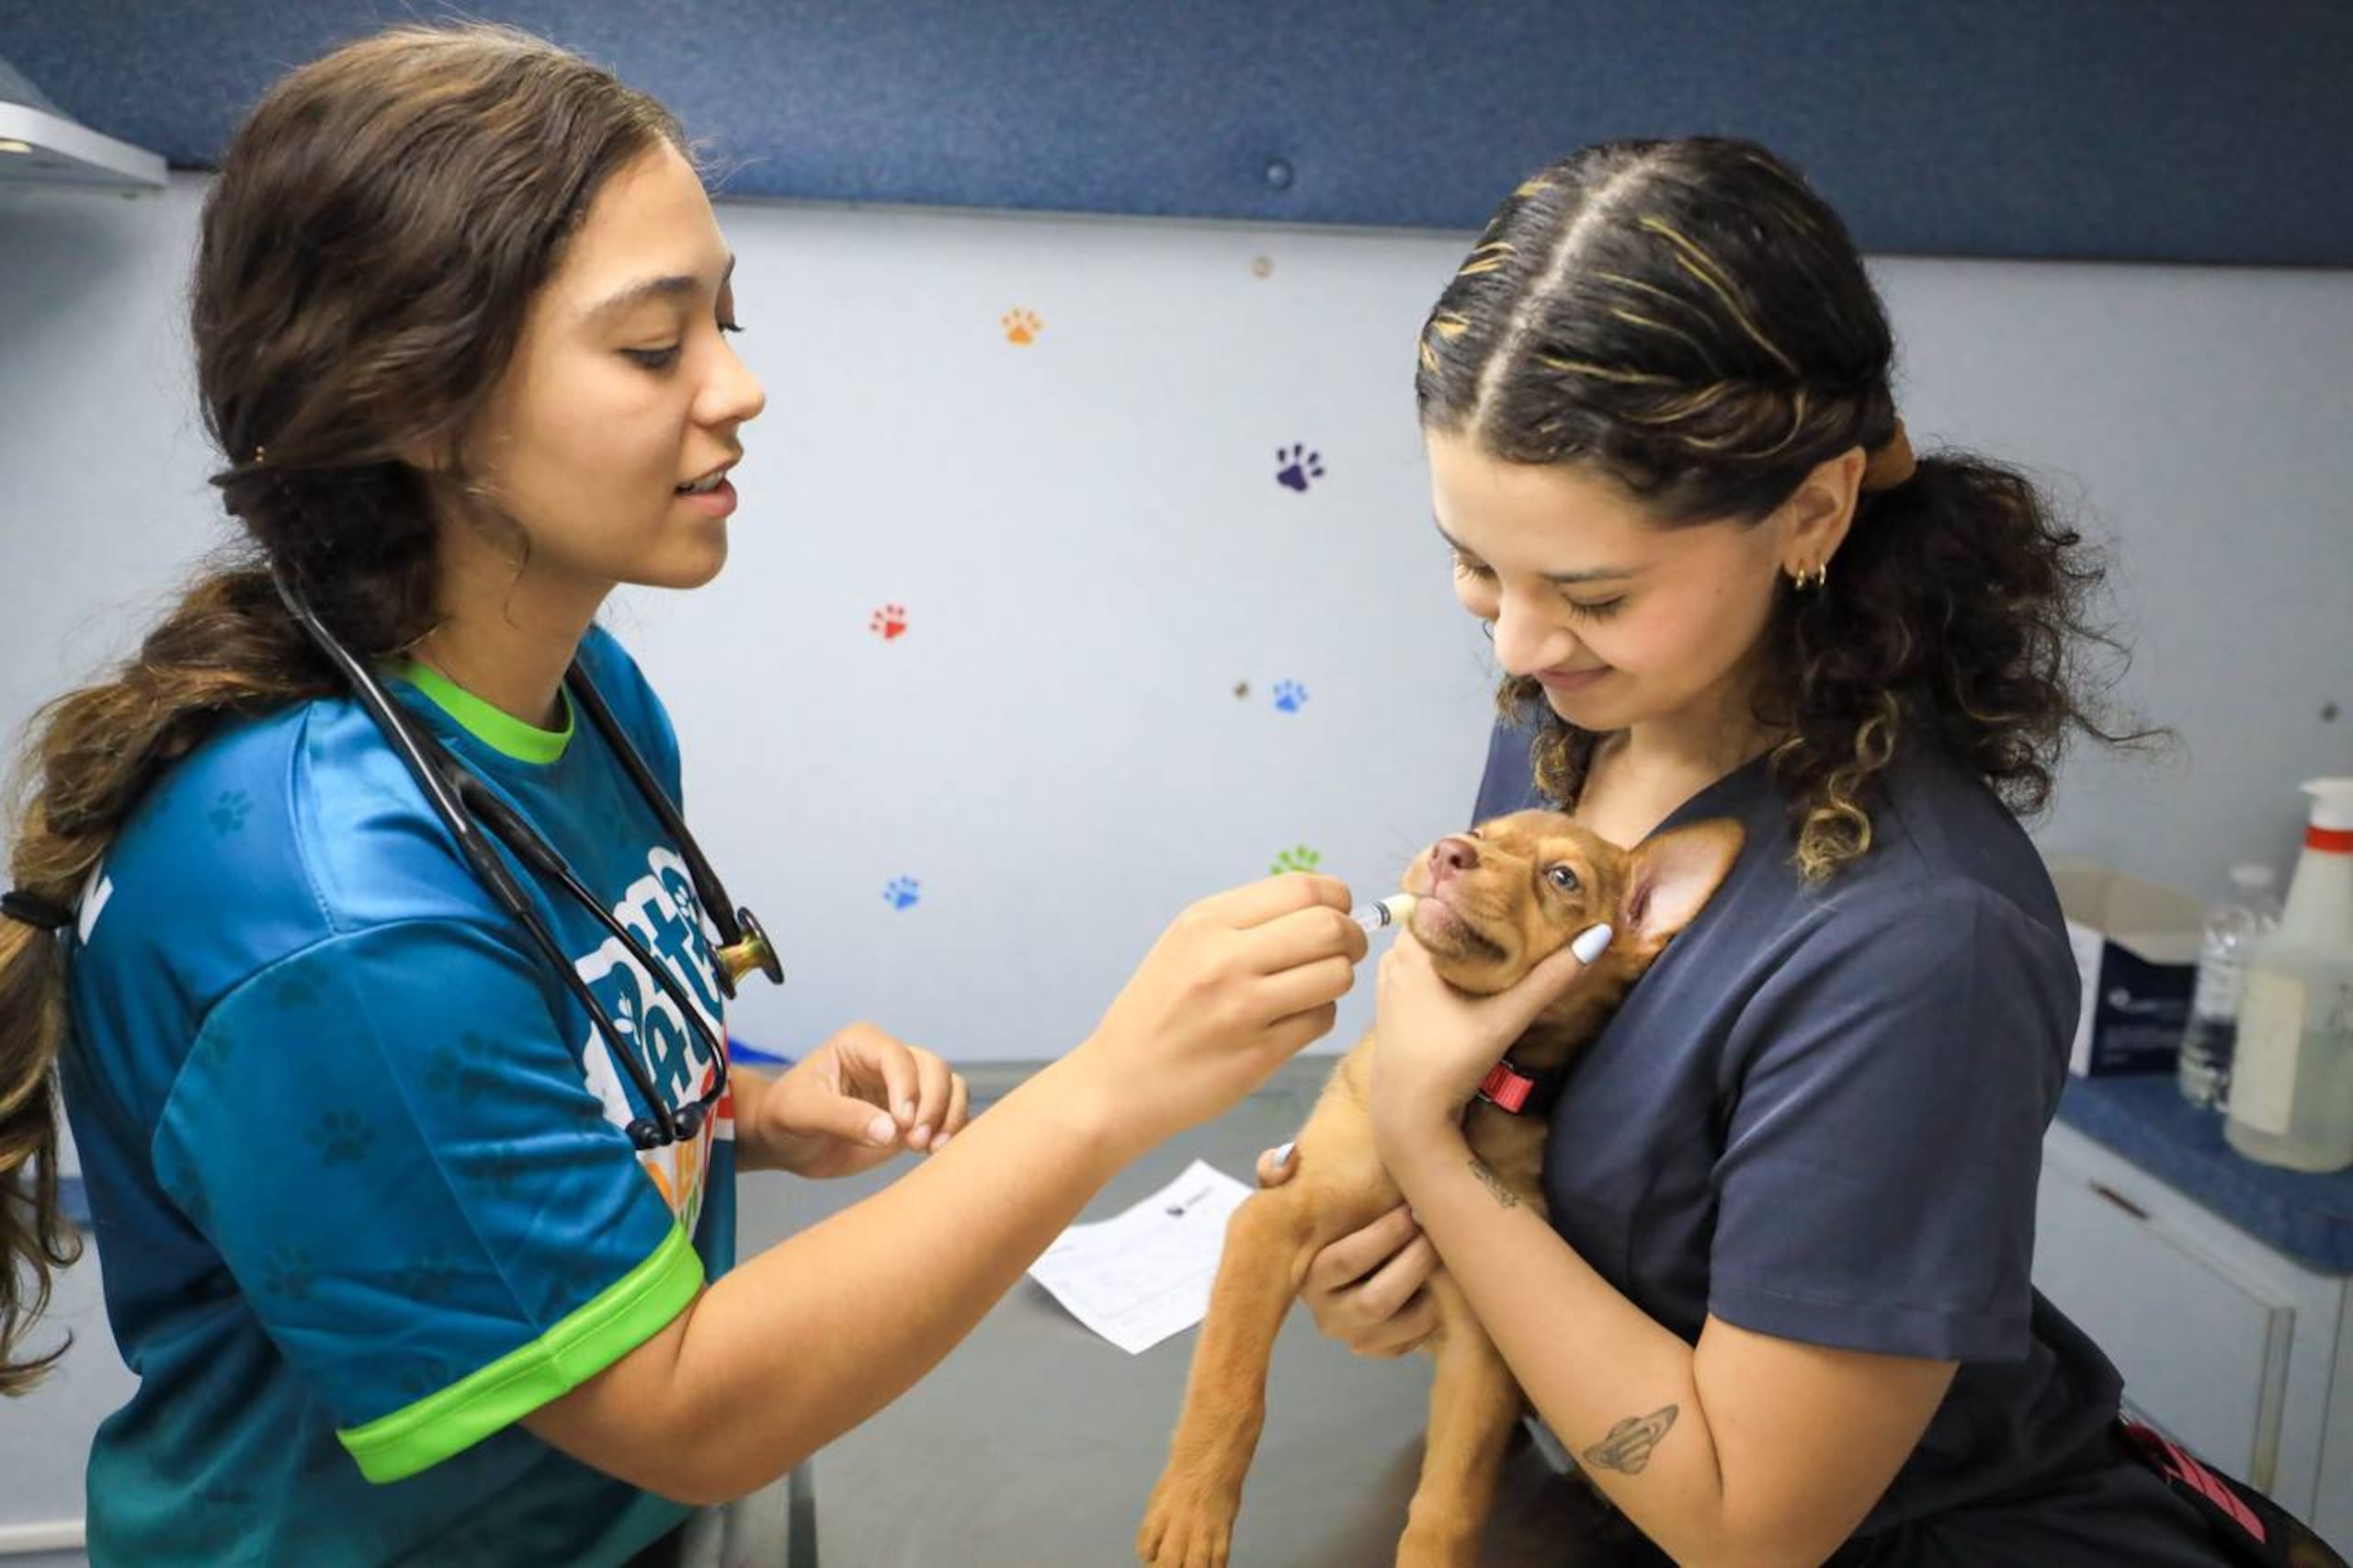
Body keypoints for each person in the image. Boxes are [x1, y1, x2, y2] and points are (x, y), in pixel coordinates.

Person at [0, 25, 1365, 1564]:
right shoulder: (330, 916)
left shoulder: (587, 701)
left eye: (726, 317)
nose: (742, 386)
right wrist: (1108, 1087)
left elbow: (537, 1070)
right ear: (416, 405)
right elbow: (681, 1402)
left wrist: (756, 1111)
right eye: (657, 346)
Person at [1259, 137, 2339, 1565]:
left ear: (1815, 511)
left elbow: (1752, 1525)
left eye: (1588, 588)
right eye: (1476, 566)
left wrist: (1427, 1154)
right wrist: (1402, 1243)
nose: (1514, 645)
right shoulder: (1570, 732)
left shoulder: (1920, 938)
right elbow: (1525, 1114)